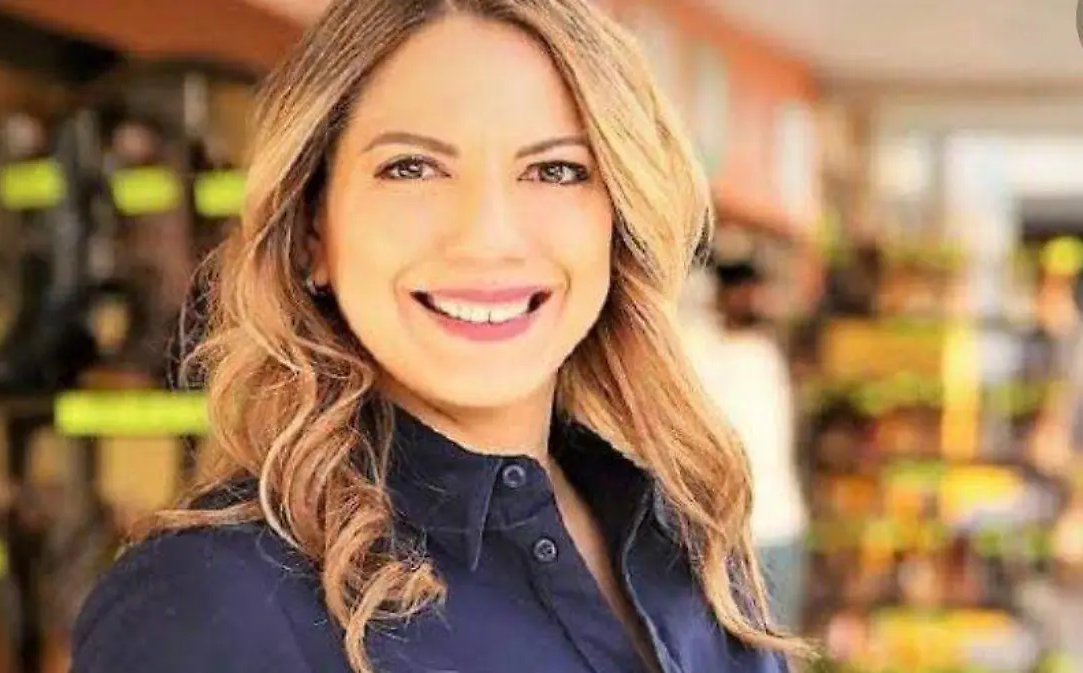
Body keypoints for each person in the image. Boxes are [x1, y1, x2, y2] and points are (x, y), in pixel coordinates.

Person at [70, 1, 811, 672]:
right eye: (412, 168)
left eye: (555, 170)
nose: (487, 238)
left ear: (619, 220)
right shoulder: (207, 607)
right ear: (311, 230)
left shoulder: (688, 537)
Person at [696, 260, 809, 633]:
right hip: (728, 538)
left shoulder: (767, 354)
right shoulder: (703, 354)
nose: (756, 302)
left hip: (780, 526)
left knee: (777, 645)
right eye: (746, 293)